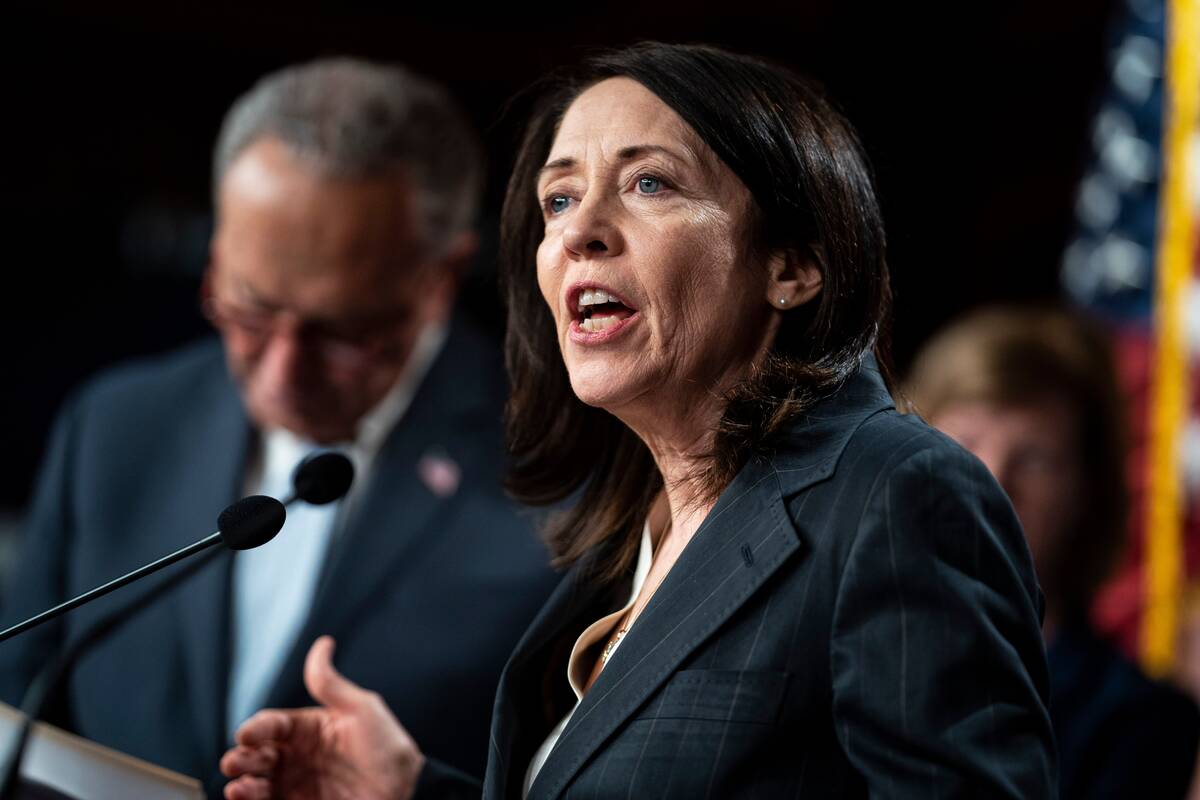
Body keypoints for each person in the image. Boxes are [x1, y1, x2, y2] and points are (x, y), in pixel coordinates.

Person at [221, 43, 1056, 799]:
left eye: (649, 183)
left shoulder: (894, 492)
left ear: (794, 264)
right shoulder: (631, 533)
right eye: (558, 198)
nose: (579, 232)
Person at [0, 58, 557, 797]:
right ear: (215, 251)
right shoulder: (116, 427)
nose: (282, 375)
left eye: (344, 333)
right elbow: (15, 710)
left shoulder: (564, 469)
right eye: (249, 311)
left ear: (443, 275)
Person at [908, 305, 1200, 800]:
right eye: (963, 445)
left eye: (1035, 459)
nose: (992, 483)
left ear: (1088, 492)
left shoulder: (1138, 722)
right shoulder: (818, 660)